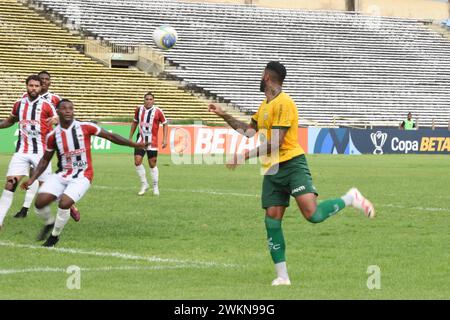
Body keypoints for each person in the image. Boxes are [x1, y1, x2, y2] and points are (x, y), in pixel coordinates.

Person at [208, 61, 375, 286]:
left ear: (267, 76)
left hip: (291, 164)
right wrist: (222, 115)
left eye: (261, 74)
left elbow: (276, 143)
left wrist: (243, 157)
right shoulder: (265, 104)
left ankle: (351, 198)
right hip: (272, 169)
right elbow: (249, 131)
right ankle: (282, 277)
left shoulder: (285, 103)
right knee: (272, 220)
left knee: (313, 215)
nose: (259, 77)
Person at [21, 99, 148, 247]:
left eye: (71, 108)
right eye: (64, 108)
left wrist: (134, 144)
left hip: (83, 175)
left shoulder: (86, 127)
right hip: (62, 174)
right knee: (39, 203)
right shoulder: (53, 136)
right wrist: (32, 179)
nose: (68, 110)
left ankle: (54, 237)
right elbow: (44, 160)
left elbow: (111, 137)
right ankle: (49, 223)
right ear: (58, 112)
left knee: (65, 203)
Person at [0, 74, 56, 231]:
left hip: (41, 154)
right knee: (10, 184)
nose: (33, 88)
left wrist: (56, 120)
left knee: (47, 190)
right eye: (31, 85)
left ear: (41, 88)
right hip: (22, 151)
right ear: (26, 86)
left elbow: (58, 120)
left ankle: (61, 212)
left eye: (36, 86)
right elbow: (10, 121)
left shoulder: (46, 105)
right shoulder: (19, 104)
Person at [129, 92, 168, 196]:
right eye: (147, 99)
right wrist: (130, 137)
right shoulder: (139, 109)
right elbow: (134, 122)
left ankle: (155, 186)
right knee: (137, 161)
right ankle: (144, 184)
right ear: (144, 100)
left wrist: (165, 139)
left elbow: (165, 124)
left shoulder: (158, 111)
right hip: (141, 140)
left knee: (152, 164)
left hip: (152, 141)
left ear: (153, 100)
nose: (149, 101)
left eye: (151, 99)